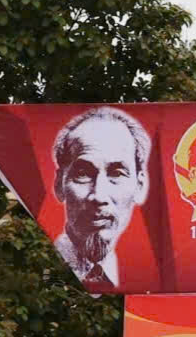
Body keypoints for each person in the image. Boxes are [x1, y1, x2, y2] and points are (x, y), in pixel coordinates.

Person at [50, 106, 151, 288]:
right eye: (82, 174)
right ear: (59, 184)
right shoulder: (40, 267)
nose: (99, 195)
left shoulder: (144, 275)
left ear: (140, 186)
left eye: (117, 173)